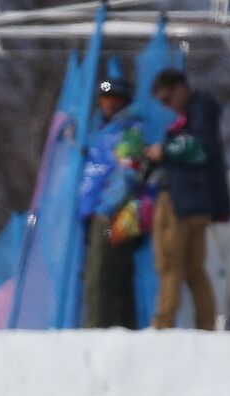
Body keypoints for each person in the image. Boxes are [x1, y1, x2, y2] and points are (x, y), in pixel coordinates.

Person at [145, 68, 230, 330]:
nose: (167, 106)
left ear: (181, 88)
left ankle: (163, 325)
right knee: (195, 269)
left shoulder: (200, 109)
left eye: (167, 99)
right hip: (197, 202)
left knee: (170, 263)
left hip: (181, 201)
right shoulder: (199, 113)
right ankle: (206, 326)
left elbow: (201, 148)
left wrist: (164, 151)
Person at [78, 77, 146, 330]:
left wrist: (107, 208)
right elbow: (93, 153)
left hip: (113, 216)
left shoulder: (129, 131)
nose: (108, 105)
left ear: (124, 102)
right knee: (114, 273)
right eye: (104, 99)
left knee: (100, 272)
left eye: (114, 100)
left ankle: (97, 330)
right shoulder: (103, 130)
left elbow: (127, 173)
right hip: (99, 213)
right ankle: (122, 328)